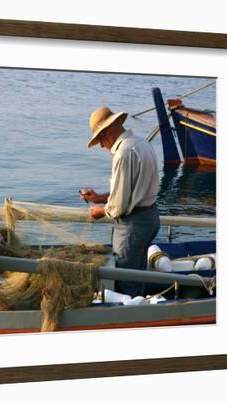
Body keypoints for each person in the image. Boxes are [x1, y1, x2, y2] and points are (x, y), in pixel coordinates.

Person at [80, 106, 160, 297]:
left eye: (100, 140)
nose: (101, 145)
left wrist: (100, 210)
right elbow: (133, 190)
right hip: (150, 218)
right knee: (138, 273)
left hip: (132, 226)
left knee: (125, 281)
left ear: (107, 132)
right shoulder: (142, 144)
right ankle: (140, 305)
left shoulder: (123, 154)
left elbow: (118, 207)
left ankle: (130, 319)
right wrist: (99, 197)